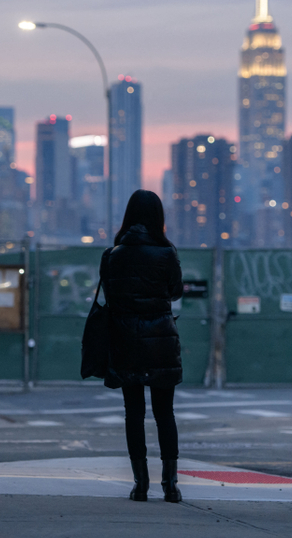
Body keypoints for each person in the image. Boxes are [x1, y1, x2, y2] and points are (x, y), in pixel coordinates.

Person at [99, 190, 184, 503]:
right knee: (165, 413)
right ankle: (171, 485)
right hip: (161, 339)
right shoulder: (167, 252)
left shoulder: (113, 255)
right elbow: (175, 292)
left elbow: (110, 295)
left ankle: (140, 484)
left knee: (133, 413)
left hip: (126, 340)